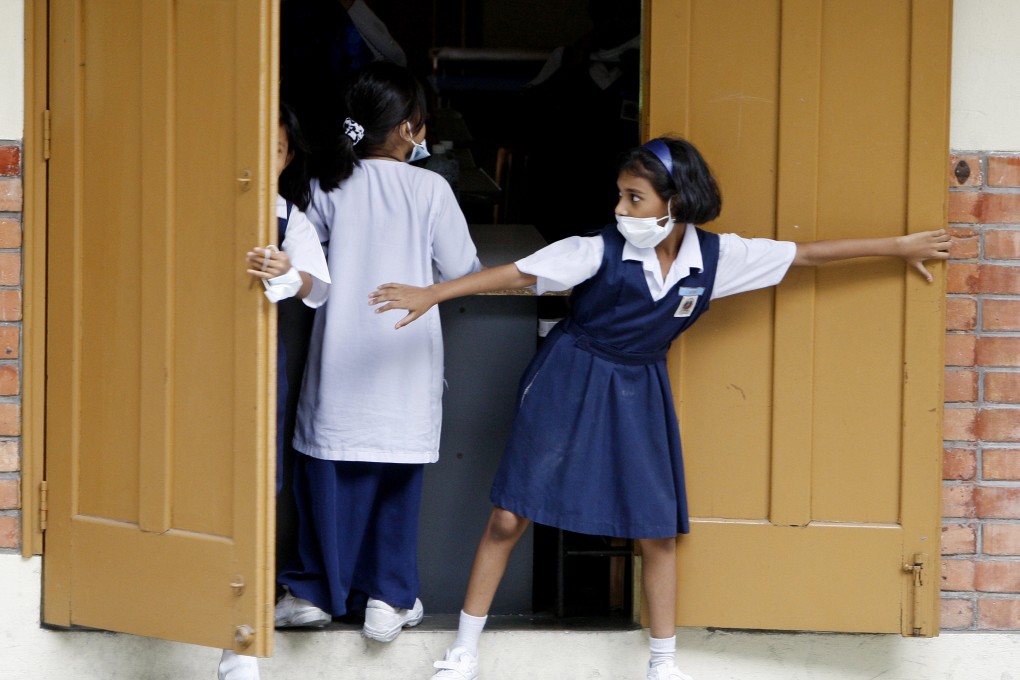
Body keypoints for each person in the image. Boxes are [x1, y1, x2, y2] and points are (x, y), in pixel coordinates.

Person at [368, 136, 952, 680]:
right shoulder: (594, 249)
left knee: (658, 528)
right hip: (570, 376)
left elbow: (808, 255)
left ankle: (663, 662)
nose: (620, 207)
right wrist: (431, 294)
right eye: (621, 195)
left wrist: (899, 248)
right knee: (509, 514)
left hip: (639, 388)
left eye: (634, 197)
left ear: (675, 203)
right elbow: (514, 274)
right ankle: (465, 647)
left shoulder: (720, 260)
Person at [275, 62, 481, 644]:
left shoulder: (324, 185)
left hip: (340, 356)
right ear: (410, 128)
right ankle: (387, 600)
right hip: (406, 356)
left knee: (326, 472)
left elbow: (303, 257)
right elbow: (461, 269)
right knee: (396, 477)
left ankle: (312, 592)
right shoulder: (432, 189)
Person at [218, 104, 331, 680]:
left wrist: (288, 271)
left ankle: (239, 644)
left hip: (260, 370)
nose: (267, 158)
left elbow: (317, 287)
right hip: (197, 365)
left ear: (289, 158)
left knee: (258, 486)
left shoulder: (293, 220)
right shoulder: (202, 204)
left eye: (278, 148)